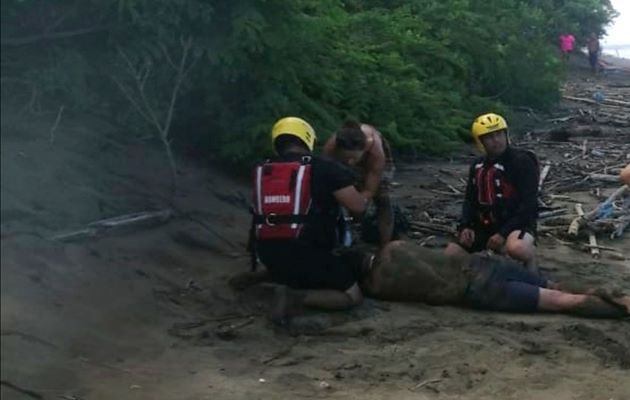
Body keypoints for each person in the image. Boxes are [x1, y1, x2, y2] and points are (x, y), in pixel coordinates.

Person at [249, 117, 370, 324]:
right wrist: (367, 192)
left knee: (295, 267)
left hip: (267, 252)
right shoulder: (325, 168)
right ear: (307, 139)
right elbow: (358, 206)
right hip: (307, 253)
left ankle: (271, 278)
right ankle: (294, 298)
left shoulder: (263, 169)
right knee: (352, 296)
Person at [363, 241, 629, 318]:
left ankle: (622, 309)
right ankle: (622, 298)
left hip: (481, 287)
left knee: (562, 301)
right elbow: (453, 250)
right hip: (485, 263)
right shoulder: (397, 246)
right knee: (553, 285)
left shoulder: (378, 286)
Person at [445, 113, 538, 271]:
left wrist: (502, 234)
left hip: (516, 227)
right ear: (480, 142)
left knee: (517, 248)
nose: (496, 140)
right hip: (485, 226)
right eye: (489, 137)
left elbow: (529, 205)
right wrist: (465, 226)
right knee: (450, 254)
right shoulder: (477, 166)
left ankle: (531, 264)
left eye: (499, 134)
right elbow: (470, 200)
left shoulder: (523, 161)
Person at [323, 121, 395, 247]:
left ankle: (385, 245)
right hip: (341, 160)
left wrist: (361, 200)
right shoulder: (330, 149)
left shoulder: (375, 151)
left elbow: (369, 190)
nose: (350, 163)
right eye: (346, 158)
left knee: (382, 199)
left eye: (353, 159)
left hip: (374, 161)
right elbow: (325, 175)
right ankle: (349, 233)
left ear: (364, 148)